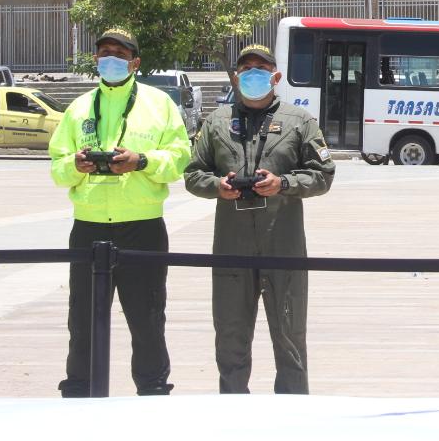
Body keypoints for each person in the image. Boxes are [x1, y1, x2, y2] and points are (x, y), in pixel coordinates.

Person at [48, 29, 191, 397]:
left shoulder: (160, 104)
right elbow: (57, 165)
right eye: (103, 53)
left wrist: (141, 161)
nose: (110, 58)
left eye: (119, 52)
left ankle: (153, 389)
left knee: (147, 318)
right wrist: (76, 167)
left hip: (141, 225)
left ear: (135, 62)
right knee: (82, 319)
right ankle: (79, 390)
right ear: (95, 60)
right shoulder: (79, 108)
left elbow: (178, 159)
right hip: (89, 225)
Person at [184, 44, 336, 393]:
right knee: (230, 336)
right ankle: (234, 408)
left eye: (261, 68)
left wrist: (283, 184)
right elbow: (193, 174)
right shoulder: (217, 122)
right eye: (246, 68)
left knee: (290, 334)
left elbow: (323, 174)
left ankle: (293, 409)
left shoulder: (300, 121)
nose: (254, 74)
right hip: (231, 245)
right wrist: (217, 186)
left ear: (275, 76)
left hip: (282, 242)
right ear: (236, 77)